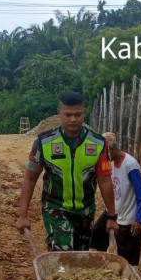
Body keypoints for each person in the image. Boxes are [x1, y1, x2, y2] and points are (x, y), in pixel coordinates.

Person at [16, 91, 118, 250]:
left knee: (81, 255)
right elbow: (29, 178)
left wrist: (112, 216)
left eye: (78, 114)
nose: (73, 119)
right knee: (62, 251)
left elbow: (105, 181)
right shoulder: (44, 142)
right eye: (68, 114)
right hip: (55, 207)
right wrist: (23, 215)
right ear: (59, 113)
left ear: (84, 113)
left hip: (85, 210)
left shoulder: (98, 144)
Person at [91, 133, 141, 266]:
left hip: (128, 216)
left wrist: (138, 220)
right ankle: (103, 263)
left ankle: (129, 279)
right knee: (97, 233)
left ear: (111, 150)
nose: (102, 157)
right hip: (114, 211)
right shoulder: (109, 163)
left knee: (127, 257)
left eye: (104, 152)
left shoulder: (130, 165)